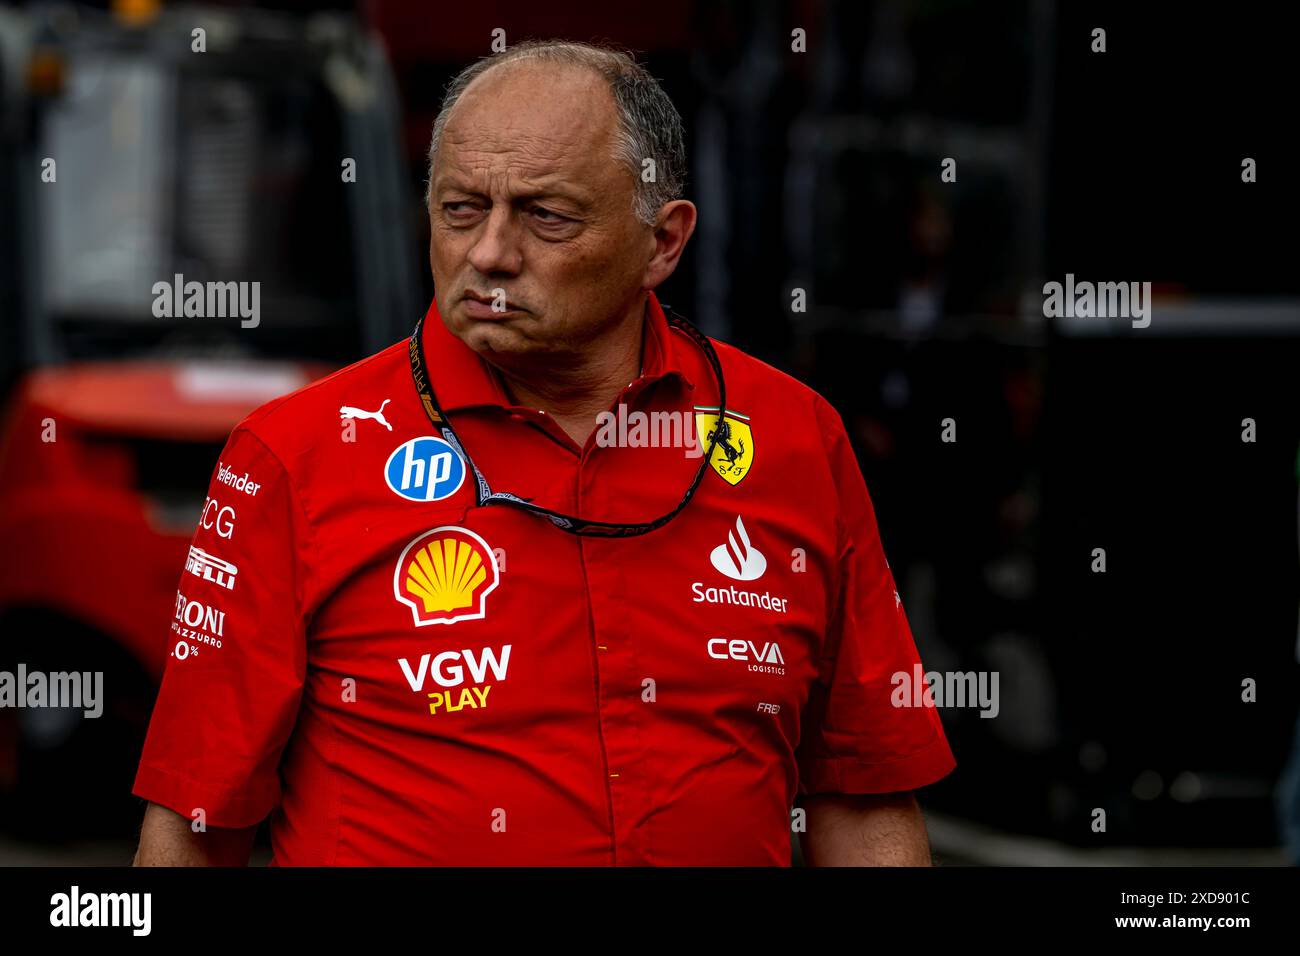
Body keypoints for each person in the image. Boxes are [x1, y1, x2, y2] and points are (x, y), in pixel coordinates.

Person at [132, 39, 955, 866]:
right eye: (460, 210)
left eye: (545, 216)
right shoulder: (292, 458)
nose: (489, 253)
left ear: (663, 243)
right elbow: (196, 826)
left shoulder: (794, 437)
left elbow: (863, 789)